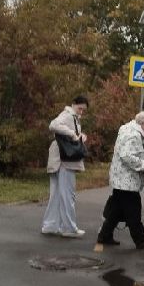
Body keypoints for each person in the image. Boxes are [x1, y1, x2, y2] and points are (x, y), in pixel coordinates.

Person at [97, 111, 144, 249]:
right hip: (127, 181)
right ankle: (141, 240)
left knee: (116, 211)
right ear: (143, 123)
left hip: (122, 179)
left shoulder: (128, 131)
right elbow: (126, 156)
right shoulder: (133, 135)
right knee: (134, 210)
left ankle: (104, 236)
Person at [42, 95, 89, 238]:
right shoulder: (68, 115)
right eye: (80, 108)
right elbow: (53, 125)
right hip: (64, 161)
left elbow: (61, 130)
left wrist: (79, 135)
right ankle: (68, 228)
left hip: (59, 160)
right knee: (68, 195)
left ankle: (50, 225)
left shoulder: (72, 117)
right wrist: (74, 134)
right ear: (73, 104)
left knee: (56, 195)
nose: (81, 112)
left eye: (83, 110)